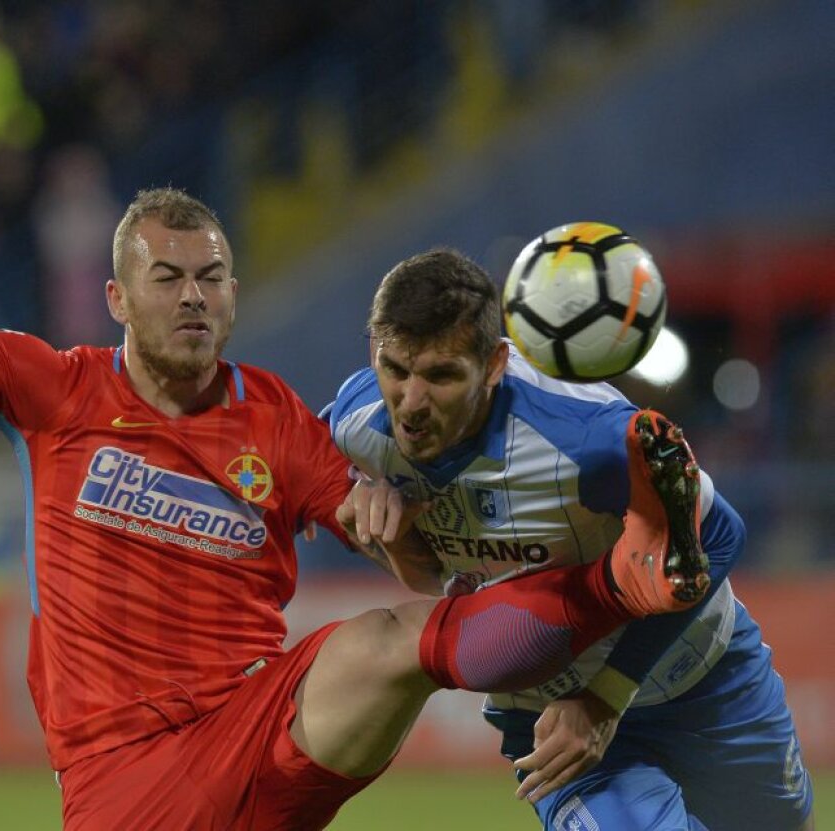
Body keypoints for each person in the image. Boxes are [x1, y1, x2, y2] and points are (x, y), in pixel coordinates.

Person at [0, 191, 701, 831]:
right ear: (119, 299)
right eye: (166, 278)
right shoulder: (53, 390)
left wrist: (397, 527)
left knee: (393, 639)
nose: (193, 296)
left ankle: (630, 574)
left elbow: (422, 575)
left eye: (211, 275)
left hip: (259, 731)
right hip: (124, 778)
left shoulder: (281, 423)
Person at [323, 247, 816, 830]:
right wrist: (378, 523)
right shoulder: (357, 429)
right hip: (549, 713)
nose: (411, 404)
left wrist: (606, 696)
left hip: (702, 678)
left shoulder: (587, 440)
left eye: (442, 376)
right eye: (394, 369)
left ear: (496, 364)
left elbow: (720, 534)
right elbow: (437, 575)